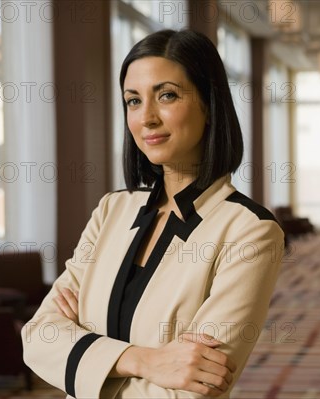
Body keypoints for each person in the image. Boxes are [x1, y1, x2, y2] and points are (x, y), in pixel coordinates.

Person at [22, 29, 285, 398]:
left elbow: (195, 387)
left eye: (167, 96)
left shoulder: (249, 231)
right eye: (132, 101)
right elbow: (37, 338)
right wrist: (145, 361)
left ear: (209, 104)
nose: (146, 118)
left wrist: (83, 355)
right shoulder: (112, 210)